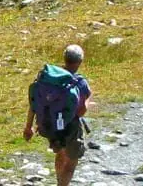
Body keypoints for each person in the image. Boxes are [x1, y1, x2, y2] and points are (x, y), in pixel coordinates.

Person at [26, 44, 93, 186]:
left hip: (49, 124)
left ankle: (58, 181)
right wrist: (88, 97)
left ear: (64, 58)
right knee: (71, 161)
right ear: (80, 62)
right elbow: (81, 111)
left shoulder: (49, 78)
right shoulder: (79, 83)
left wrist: (28, 127)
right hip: (71, 127)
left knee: (60, 153)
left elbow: (34, 104)